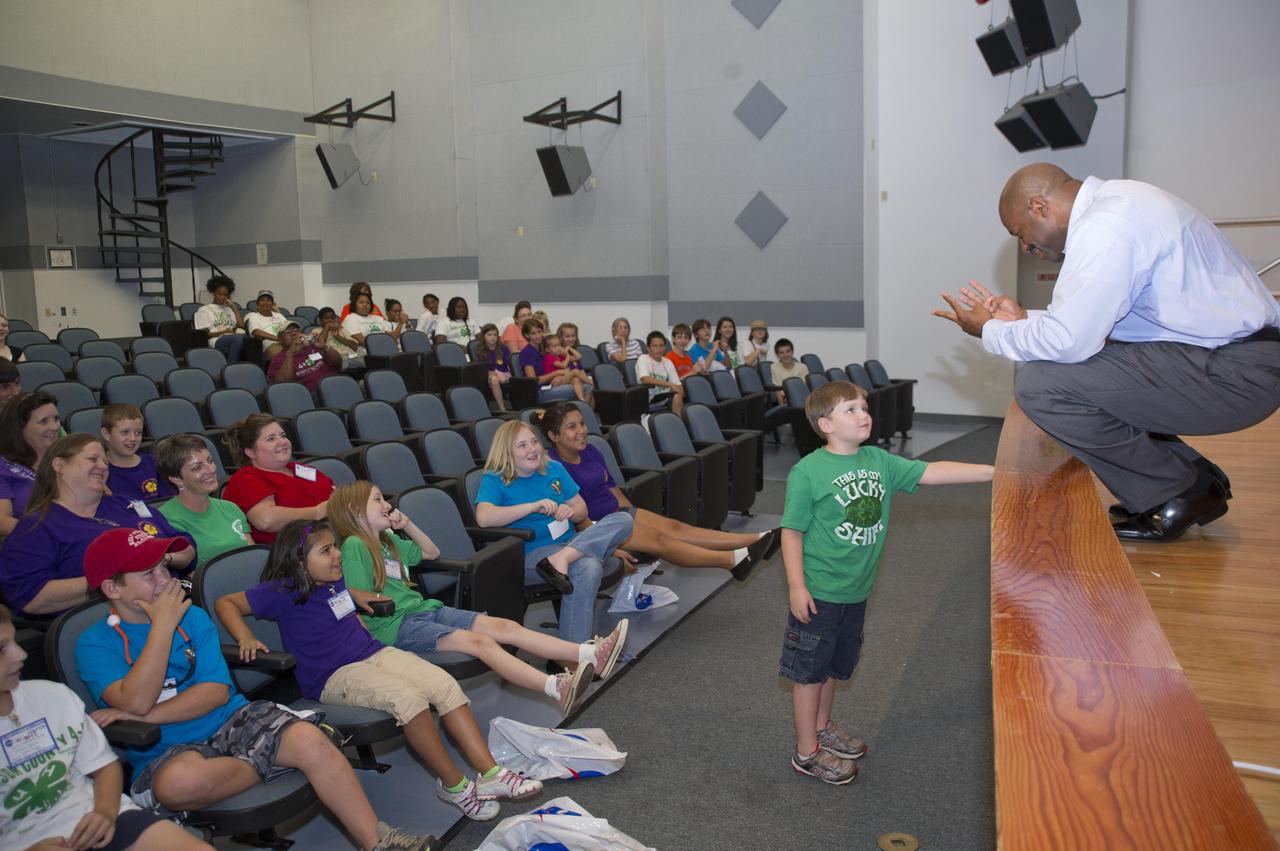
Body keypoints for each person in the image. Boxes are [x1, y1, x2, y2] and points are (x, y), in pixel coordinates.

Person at [934, 163, 1280, 543]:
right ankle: (1193, 476)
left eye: (1020, 233)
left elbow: (1071, 341)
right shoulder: (1123, 203)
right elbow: (1097, 325)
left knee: (1043, 385)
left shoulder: (1106, 225)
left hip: (1237, 373)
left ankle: (1174, 491)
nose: (1026, 247)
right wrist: (1019, 320)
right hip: (1238, 362)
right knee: (1085, 369)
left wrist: (989, 330)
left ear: (1039, 207)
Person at [76, 529, 434, 851]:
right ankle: (273, 754)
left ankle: (379, 844)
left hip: (231, 717)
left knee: (311, 744)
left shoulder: (193, 617)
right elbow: (136, 698)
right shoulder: (94, 644)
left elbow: (214, 693)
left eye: (164, 568)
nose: (165, 581)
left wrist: (140, 713)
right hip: (165, 748)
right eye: (148, 574)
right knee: (179, 784)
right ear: (112, 588)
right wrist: (162, 628)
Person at [214, 520, 542, 822]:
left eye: (335, 547)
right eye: (326, 550)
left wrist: (356, 595)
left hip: (372, 652)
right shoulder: (281, 590)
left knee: (444, 685)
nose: (337, 555)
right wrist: (245, 635)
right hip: (332, 674)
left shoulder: (331, 576)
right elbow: (226, 603)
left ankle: (490, 775)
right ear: (299, 562)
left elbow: (338, 598)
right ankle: (454, 785)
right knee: (409, 699)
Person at [780, 381, 993, 784]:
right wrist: (796, 586)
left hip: (855, 592)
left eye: (863, 407)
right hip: (820, 593)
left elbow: (933, 472)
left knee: (832, 668)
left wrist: (994, 472)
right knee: (809, 673)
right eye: (851, 410)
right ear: (825, 424)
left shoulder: (878, 460)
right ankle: (806, 752)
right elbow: (791, 531)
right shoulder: (807, 472)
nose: (863, 414)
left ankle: (822, 728)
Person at [328, 481, 627, 713]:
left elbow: (431, 553)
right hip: (397, 625)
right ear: (355, 512)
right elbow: (355, 594)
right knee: (482, 642)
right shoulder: (355, 545)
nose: (386, 504)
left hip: (425, 609)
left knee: (505, 627)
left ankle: (589, 655)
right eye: (377, 500)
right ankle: (555, 687)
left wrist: (405, 525)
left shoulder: (388, 540)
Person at [0, 604, 214, 851]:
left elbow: (105, 767)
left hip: (99, 813)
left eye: (14, 642)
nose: (20, 654)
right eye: (2, 650)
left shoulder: (52, 696)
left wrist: (104, 812)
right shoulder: (95, 644)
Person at [539, 404, 776, 579]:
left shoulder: (591, 451)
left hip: (618, 514)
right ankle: (733, 561)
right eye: (572, 427)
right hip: (598, 528)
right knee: (661, 540)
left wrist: (631, 513)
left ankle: (758, 538)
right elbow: (576, 520)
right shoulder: (552, 468)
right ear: (553, 436)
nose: (581, 430)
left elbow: (613, 491)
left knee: (677, 528)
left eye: (582, 422)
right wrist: (607, 549)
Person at [474, 420, 633, 644]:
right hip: (531, 556)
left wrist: (570, 511)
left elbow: (581, 510)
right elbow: (484, 517)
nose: (532, 449)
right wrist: (532, 506)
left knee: (624, 519)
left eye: (534, 442)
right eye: (522, 445)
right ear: (506, 451)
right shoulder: (495, 478)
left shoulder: (553, 469)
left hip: (570, 544)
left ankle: (564, 558)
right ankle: (574, 655)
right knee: (588, 566)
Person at [0, 434, 195, 617]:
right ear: (59, 465)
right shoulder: (37, 526)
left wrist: (160, 561)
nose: (102, 466)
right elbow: (30, 597)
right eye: (93, 459)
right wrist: (114, 580)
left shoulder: (127, 504)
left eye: (105, 462)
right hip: (109, 624)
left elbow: (187, 547)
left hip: (177, 601)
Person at [222, 414, 332, 545]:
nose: (283, 441)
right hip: (293, 551)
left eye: (283, 436)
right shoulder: (245, 478)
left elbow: (334, 492)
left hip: (331, 536)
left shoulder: (299, 468)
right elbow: (266, 520)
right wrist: (316, 513)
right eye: (271, 439)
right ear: (251, 452)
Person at [157, 434, 254, 567]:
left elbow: (254, 557)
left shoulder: (230, 508)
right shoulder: (166, 519)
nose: (212, 469)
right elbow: (187, 576)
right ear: (176, 478)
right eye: (197, 467)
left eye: (210, 460)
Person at [0, 391, 61, 535]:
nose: (55, 427)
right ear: (20, 427)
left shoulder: (68, 460)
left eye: (56, 419)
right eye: (43, 421)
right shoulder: (4, 467)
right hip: (33, 545)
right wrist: (50, 534)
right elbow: (2, 522)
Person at [102, 403, 176, 503]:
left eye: (138, 433)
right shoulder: (100, 470)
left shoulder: (153, 463)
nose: (133, 438)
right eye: (125, 432)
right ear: (106, 434)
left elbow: (169, 501)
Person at [267, 321, 343, 397]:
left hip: (333, 386)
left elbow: (337, 361)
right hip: (310, 396)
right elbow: (282, 384)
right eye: (288, 332)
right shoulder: (278, 359)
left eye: (296, 330)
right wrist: (290, 354)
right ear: (280, 339)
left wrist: (325, 346)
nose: (293, 333)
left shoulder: (312, 346)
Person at [517, 320, 579, 403]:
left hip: (553, 384)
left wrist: (560, 375)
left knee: (584, 385)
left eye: (539, 332)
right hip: (540, 391)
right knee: (582, 388)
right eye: (533, 333)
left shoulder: (546, 348)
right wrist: (558, 372)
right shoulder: (526, 353)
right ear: (527, 335)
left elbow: (567, 366)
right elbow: (533, 381)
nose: (538, 335)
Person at [192, 274, 246, 362]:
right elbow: (204, 335)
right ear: (214, 293)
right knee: (238, 338)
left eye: (226, 295)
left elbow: (241, 325)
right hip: (216, 340)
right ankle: (230, 367)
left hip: (231, 337)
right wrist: (224, 332)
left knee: (248, 338)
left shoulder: (228, 309)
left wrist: (233, 307)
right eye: (220, 294)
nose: (223, 297)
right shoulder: (204, 309)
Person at [634, 331, 685, 414]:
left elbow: (677, 384)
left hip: (666, 397)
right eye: (655, 346)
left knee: (679, 395)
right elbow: (644, 379)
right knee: (676, 397)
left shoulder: (668, 362)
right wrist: (669, 384)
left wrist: (680, 390)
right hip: (650, 399)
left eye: (661, 346)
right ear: (648, 348)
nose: (659, 349)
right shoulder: (643, 359)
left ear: (665, 347)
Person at [309, 306, 366, 371]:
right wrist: (327, 327)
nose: (330, 320)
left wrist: (338, 336)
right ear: (320, 320)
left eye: (332, 318)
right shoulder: (316, 331)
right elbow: (319, 345)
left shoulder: (341, 329)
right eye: (327, 318)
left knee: (367, 353)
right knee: (367, 361)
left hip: (352, 355)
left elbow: (355, 346)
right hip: (338, 358)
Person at [541, 332, 592, 402]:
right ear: (547, 350)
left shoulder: (560, 356)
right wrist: (567, 355)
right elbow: (564, 365)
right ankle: (591, 382)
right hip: (555, 382)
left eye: (559, 345)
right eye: (555, 346)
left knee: (576, 379)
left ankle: (581, 399)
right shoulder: (548, 357)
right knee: (575, 371)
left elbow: (579, 357)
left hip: (562, 378)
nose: (558, 348)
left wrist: (569, 348)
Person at [476, 323, 513, 412]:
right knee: (494, 379)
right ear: (483, 337)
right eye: (489, 335)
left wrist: (508, 375)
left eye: (495, 335)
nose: (492, 337)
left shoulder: (504, 348)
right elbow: (483, 371)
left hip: (506, 374)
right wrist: (497, 373)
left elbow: (510, 366)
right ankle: (502, 409)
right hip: (490, 375)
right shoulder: (481, 351)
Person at [243, 291, 289, 361]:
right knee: (284, 355)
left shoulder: (278, 315)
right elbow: (256, 332)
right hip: (270, 345)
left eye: (268, 300)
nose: (265, 302)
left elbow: (289, 327)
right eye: (262, 300)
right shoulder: (254, 316)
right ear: (257, 304)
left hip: (286, 342)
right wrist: (278, 338)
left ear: (272, 304)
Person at [770, 338, 808, 405]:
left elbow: (804, 390)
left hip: (800, 400)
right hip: (784, 401)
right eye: (781, 352)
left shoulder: (802, 367)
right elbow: (777, 390)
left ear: (792, 352)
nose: (785, 355)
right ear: (777, 355)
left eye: (787, 351)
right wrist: (783, 409)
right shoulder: (774, 367)